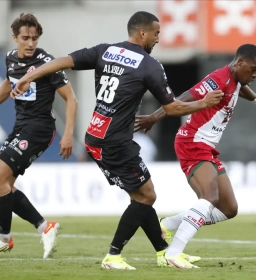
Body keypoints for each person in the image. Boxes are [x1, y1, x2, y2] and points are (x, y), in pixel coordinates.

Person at [13, 11, 223, 270]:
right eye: (156, 33)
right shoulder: (149, 65)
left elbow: (63, 62)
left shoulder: (104, 51)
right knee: (146, 196)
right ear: (143, 33)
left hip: (96, 136)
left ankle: (163, 252)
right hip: (115, 142)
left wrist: (28, 76)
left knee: (141, 194)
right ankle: (113, 256)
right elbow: (172, 108)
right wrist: (203, 103)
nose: (158, 38)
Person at [135, 44, 256, 268]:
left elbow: (239, 88)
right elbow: (184, 96)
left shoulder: (235, 80)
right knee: (209, 197)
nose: (255, 74)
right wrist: (155, 117)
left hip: (207, 147)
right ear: (240, 62)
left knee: (229, 208)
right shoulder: (218, 79)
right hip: (192, 141)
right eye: (253, 69)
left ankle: (167, 224)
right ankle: (173, 253)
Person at [0, 13, 77, 258]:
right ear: (15, 38)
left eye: (35, 38)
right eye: (26, 38)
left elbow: (71, 98)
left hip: (40, 128)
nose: (31, 43)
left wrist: (68, 134)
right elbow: (8, 83)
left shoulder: (47, 63)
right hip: (21, 127)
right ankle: (45, 227)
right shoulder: (11, 58)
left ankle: (3, 238)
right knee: (5, 185)